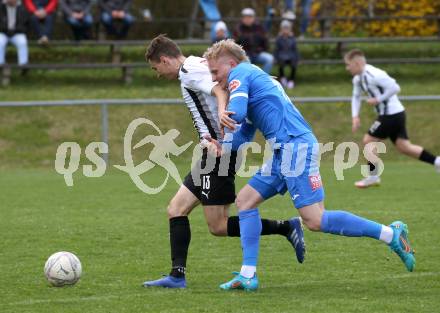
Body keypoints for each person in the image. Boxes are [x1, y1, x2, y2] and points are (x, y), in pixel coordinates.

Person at [204, 39, 415, 291]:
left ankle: (391, 234)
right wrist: (220, 144)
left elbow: (234, 113)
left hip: (295, 146)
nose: (214, 79)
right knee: (245, 201)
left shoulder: (242, 73)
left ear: (231, 63)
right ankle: (248, 275)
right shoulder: (252, 81)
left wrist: (220, 103)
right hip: (284, 150)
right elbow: (242, 136)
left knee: (315, 220)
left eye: (216, 72)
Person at [141, 35, 306, 289]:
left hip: (220, 153)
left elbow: (220, 88)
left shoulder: (188, 70)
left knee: (217, 225)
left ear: (164, 59)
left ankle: (286, 227)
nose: (157, 74)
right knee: (176, 209)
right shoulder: (195, 65)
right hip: (212, 151)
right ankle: (176, 276)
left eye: (156, 68)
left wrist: (221, 116)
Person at [344, 49, 440, 188]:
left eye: (349, 65)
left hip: (391, 114)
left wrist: (379, 99)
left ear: (357, 63)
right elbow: (356, 97)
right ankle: (437, 161)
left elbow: (395, 87)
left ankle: (373, 176)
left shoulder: (375, 74)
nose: (347, 68)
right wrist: (355, 116)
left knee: (369, 140)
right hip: (395, 114)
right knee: (404, 147)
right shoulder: (358, 79)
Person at [233, 7, 274, 74]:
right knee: (246, 65)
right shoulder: (238, 29)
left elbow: (264, 41)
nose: (248, 19)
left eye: (250, 17)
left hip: (258, 53)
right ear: (242, 18)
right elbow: (235, 45)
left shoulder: (259, 27)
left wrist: (262, 49)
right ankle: (249, 80)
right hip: (245, 55)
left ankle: (263, 78)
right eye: (246, 17)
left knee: (270, 59)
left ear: (253, 18)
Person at [0, 0, 29, 66]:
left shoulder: (22, 8)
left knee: (22, 42)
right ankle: (1, 63)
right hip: (3, 32)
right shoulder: (1, 7)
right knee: (0, 42)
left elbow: (24, 23)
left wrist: (15, 31)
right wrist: (6, 30)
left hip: (17, 33)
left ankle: (23, 64)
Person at [274, 20, 299, 89]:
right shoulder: (279, 38)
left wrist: (297, 58)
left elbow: (295, 49)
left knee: (294, 63)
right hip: (281, 55)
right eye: (284, 28)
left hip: (291, 56)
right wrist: (275, 57)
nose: (285, 30)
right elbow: (276, 49)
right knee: (281, 62)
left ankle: (291, 80)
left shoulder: (292, 38)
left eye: (287, 28)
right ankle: (282, 77)